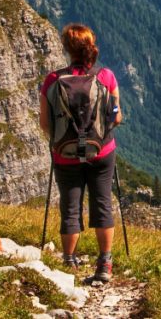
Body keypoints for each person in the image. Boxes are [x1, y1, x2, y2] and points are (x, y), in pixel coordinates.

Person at [39, 23, 123, 283]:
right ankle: (105, 262)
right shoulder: (106, 76)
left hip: (65, 154)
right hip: (101, 152)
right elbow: (117, 117)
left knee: (70, 207)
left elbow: (45, 122)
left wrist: (59, 141)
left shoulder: (53, 80)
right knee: (102, 203)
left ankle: (69, 262)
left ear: (67, 48)